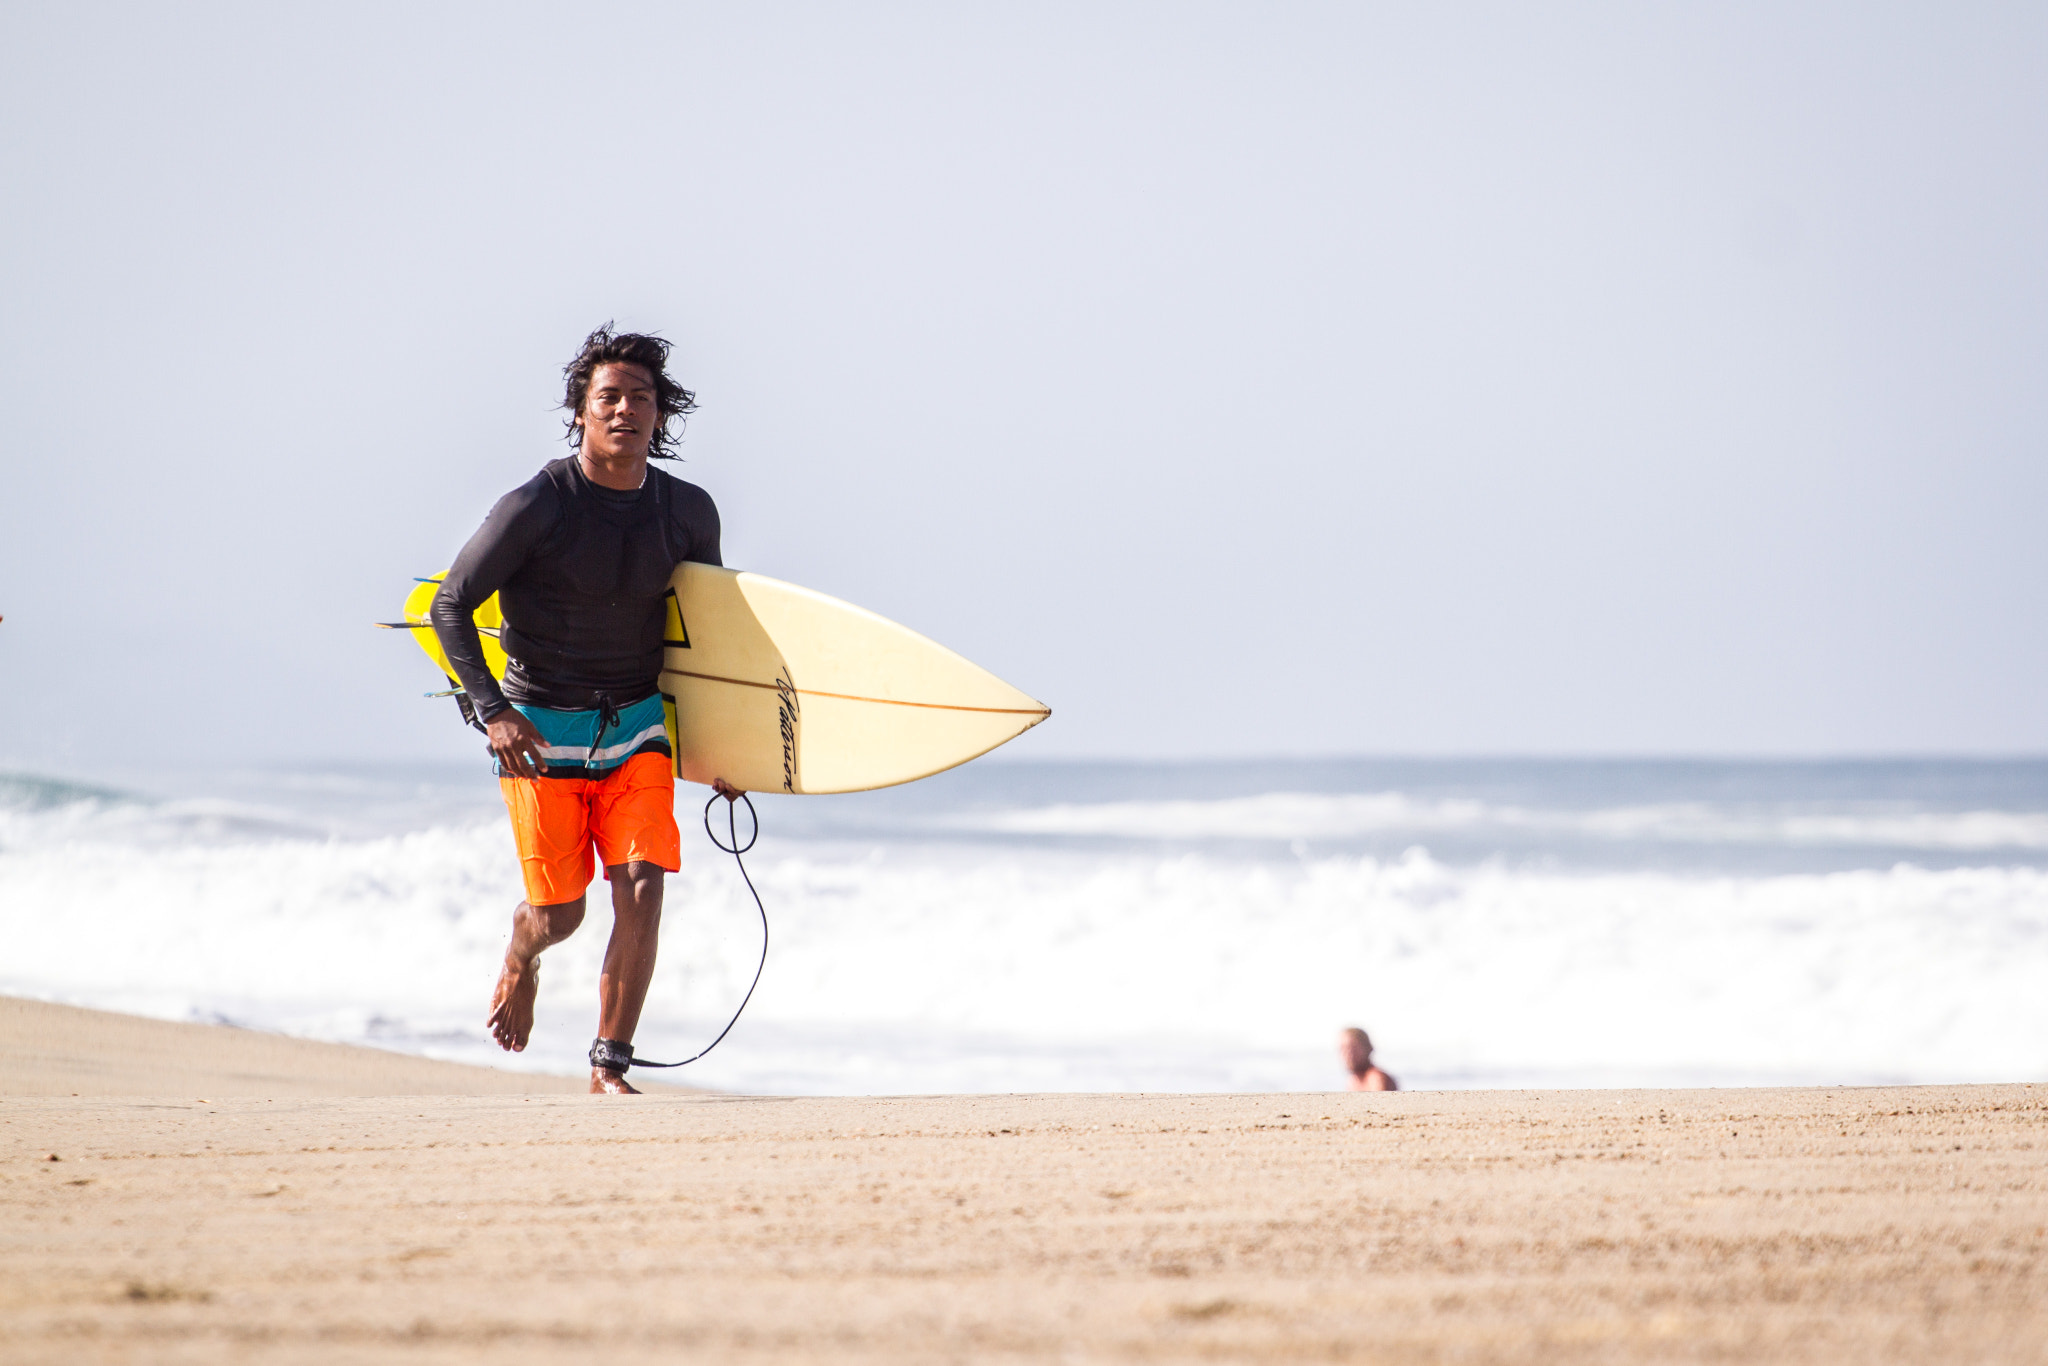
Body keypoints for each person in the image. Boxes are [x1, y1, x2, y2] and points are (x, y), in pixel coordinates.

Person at [432, 324, 738, 1095]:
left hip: (636, 724)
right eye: (609, 397)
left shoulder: (688, 513)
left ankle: (609, 1065)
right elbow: (452, 605)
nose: (625, 409)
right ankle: (521, 952)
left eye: (642, 398)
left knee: (642, 881)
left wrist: (728, 754)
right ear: (580, 412)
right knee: (560, 915)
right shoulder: (537, 506)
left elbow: (705, 645)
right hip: (540, 731)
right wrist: (494, 712)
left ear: (661, 417)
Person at [1338, 1027, 1397, 1091]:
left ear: (1367, 1048)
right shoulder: (1352, 1081)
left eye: (1353, 1048)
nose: (1348, 1054)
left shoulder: (1376, 1078)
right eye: (1343, 1048)